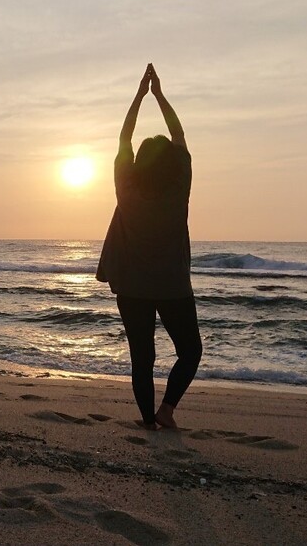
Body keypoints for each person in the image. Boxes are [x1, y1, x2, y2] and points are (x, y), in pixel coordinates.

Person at [96, 64, 203, 430]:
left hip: (132, 287)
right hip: (173, 286)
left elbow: (124, 138)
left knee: (142, 358)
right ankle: (166, 410)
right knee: (190, 351)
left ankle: (148, 420)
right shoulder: (179, 187)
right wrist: (159, 95)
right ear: (172, 163)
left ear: (139, 161)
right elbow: (179, 134)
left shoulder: (126, 187)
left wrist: (140, 95)